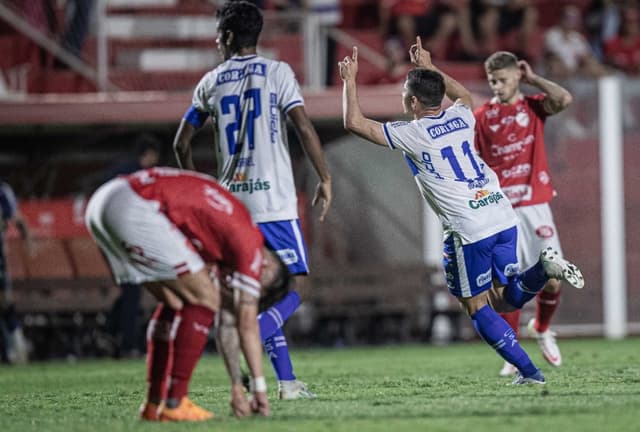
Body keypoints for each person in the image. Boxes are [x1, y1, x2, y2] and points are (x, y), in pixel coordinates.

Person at [339, 37, 584, 384]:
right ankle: (543, 268)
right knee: (504, 300)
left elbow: (355, 123)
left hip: (469, 228)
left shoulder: (413, 132)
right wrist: (428, 65)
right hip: (501, 214)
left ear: (412, 101)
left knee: (476, 305)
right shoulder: (462, 114)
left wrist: (349, 81)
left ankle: (529, 373)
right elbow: (464, 96)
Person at [173, 0, 332, 400]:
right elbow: (303, 125)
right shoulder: (278, 73)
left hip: (232, 208)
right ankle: (250, 337)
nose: (216, 41)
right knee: (293, 290)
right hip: (273, 203)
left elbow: (181, 142)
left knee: (255, 293)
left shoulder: (210, 82)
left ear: (227, 37)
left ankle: (288, 383)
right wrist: (325, 177)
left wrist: (198, 184)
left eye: (217, 35)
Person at [85, 167, 293, 421]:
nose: (242, 289)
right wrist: (259, 388)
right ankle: (175, 402)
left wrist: (237, 385)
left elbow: (227, 317)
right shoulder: (252, 247)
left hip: (103, 203)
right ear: (268, 268)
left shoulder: (221, 237)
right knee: (204, 298)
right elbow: (244, 322)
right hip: (136, 206)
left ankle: (154, 404)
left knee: (175, 301)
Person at [473, 50, 580, 376]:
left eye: (502, 80)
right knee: (508, 284)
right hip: (502, 210)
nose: (497, 86)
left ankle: (542, 327)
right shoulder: (482, 116)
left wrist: (534, 78)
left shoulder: (532, 107)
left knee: (553, 275)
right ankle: (512, 353)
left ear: (517, 77)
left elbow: (563, 98)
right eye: (492, 81)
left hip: (535, 206)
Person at [0, 181, 33, 364]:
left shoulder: (2, 191)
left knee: (5, 304)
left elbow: (18, 218)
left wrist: (27, 239)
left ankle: (17, 352)